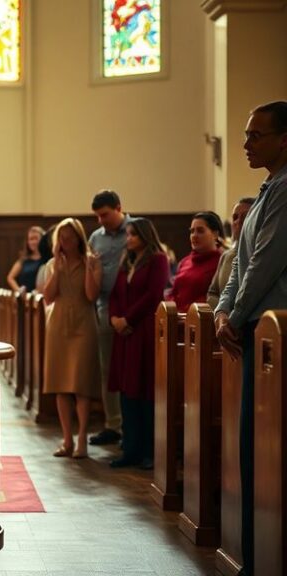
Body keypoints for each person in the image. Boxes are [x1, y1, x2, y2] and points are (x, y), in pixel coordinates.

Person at [215, 101, 287, 576]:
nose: (245, 143)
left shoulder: (284, 190)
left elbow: (267, 261)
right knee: (250, 448)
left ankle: (264, 557)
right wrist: (223, 309)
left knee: (265, 451)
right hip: (251, 329)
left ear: (284, 139)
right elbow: (241, 259)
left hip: (272, 336)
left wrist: (236, 316)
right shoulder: (266, 190)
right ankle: (251, 554)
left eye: (255, 135)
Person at [107, 218, 169, 469]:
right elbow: (114, 294)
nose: (128, 238)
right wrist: (114, 319)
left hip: (142, 330)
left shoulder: (158, 259)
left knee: (144, 391)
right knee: (126, 392)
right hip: (124, 333)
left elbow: (153, 295)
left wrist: (127, 319)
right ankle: (129, 449)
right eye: (128, 234)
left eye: (133, 234)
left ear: (145, 235)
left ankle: (148, 451)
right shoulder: (127, 260)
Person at [42, 218, 101, 459]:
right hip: (58, 326)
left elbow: (91, 295)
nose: (65, 242)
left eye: (69, 237)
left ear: (79, 238)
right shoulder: (52, 264)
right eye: (61, 238)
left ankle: (82, 439)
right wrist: (57, 266)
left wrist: (87, 265)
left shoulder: (93, 262)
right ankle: (67, 440)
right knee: (61, 386)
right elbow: (47, 297)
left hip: (84, 324)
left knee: (81, 385)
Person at [88, 190, 128, 446]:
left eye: (105, 215)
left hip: (130, 308)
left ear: (118, 208)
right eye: (97, 217)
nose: (101, 220)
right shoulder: (95, 237)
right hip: (104, 307)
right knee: (107, 369)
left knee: (131, 368)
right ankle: (113, 423)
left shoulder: (135, 230)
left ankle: (131, 424)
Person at [167, 211, 225, 313]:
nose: (194, 235)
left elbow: (216, 297)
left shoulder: (222, 261)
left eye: (200, 231)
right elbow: (173, 292)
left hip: (201, 320)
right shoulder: (185, 261)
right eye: (192, 231)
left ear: (215, 234)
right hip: (176, 320)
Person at [207, 198, 255, 308]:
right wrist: (221, 311)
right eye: (235, 217)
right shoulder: (226, 256)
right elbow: (213, 292)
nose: (238, 221)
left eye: (245, 216)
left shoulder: (260, 253)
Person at [6, 226, 46, 292]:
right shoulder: (23, 260)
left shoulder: (47, 259)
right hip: (25, 298)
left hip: (41, 297)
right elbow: (10, 277)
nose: (33, 242)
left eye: (36, 238)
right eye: (30, 239)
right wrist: (19, 291)